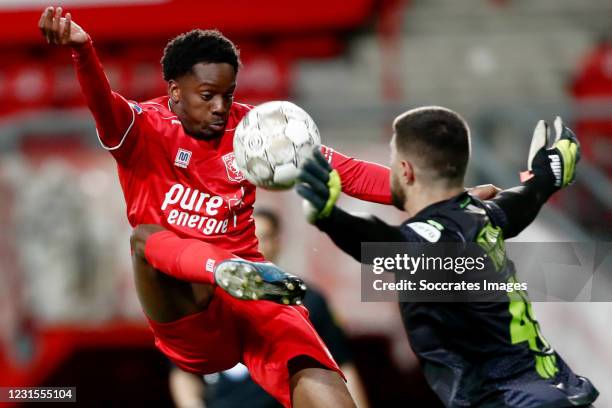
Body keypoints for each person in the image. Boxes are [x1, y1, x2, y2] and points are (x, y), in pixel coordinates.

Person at [38, 6, 418, 407]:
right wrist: (82, 50)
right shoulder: (140, 128)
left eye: (228, 94)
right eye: (207, 96)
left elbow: (348, 171)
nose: (221, 106)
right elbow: (101, 101)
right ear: (174, 91)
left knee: (328, 390)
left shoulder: (254, 131)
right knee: (144, 240)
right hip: (189, 307)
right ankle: (222, 269)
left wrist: (435, 192)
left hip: (253, 292)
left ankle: (238, 274)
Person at [297, 107, 599, 407]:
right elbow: (528, 197)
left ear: (405, 170)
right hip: (556, 392)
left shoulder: (434, 240)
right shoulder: (487, 216)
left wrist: (330, 217)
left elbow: (386, 243)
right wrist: (549, 173)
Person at [169, 209, 369, 408]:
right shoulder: (206, 300)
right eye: (245, 238)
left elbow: (342, 366)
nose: (253, 246)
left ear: (277, 243)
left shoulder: (309, 301)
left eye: (262, 238)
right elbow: (182, 372)